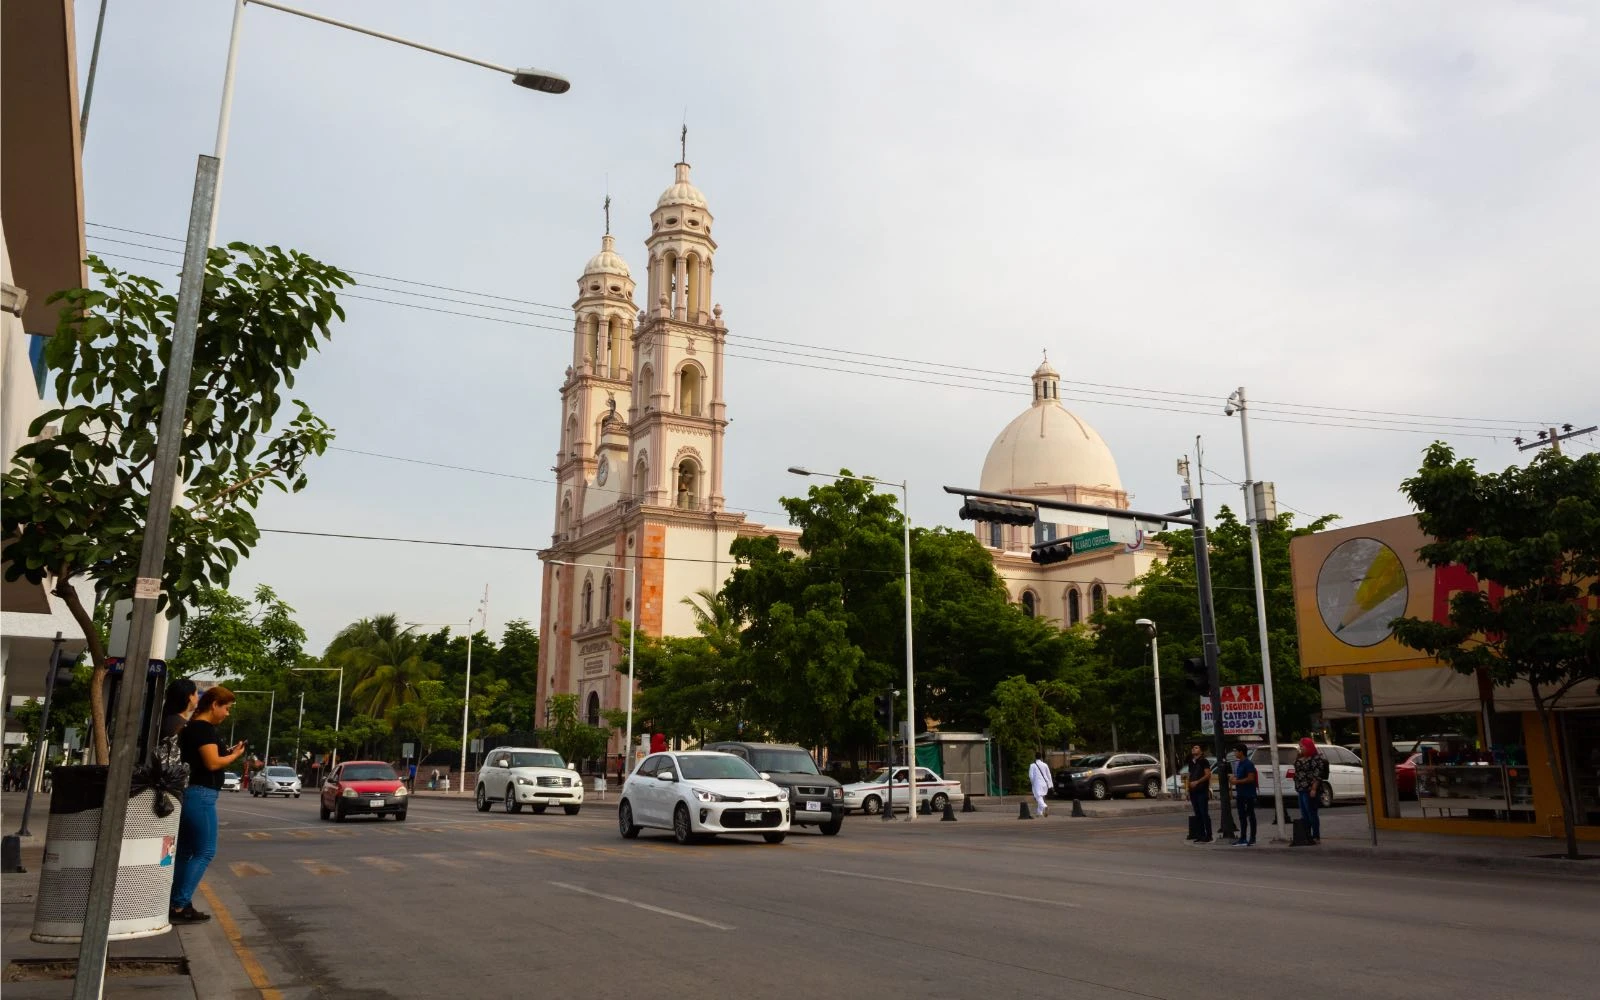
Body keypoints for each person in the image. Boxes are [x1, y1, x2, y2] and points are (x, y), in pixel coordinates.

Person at [170, 686, 246, 924]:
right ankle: (180, 904)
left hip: (190, 793)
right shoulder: (203, 729)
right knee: (205, 851)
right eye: (226, 708)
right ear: (214, 705)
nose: (227, 713)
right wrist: (235, 756)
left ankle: (176, 902)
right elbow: (212, 763)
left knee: (185, 851)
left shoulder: (193, 728)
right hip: (201, 794)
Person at [1293, 737, 1328, 844]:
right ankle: (1306, 834)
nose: (1301, 749)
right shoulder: (1301, 758)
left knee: (1311, 812)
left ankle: (1316, 835)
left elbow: (1317, 775)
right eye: (1300, 747)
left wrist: (1314, 788)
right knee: (1304, 813)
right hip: (1301, 788)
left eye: (1302, 746)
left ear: (1308, 747)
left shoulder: (1316, 759)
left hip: (1310, 789)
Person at [1231, 743, 1258, 846]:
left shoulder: (1248, 764)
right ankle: (1243, 837)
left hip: (1248, 794)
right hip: (1240, 794)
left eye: (1236, 751)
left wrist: (1237, 782)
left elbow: (1251, 778)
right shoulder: (1239, 764)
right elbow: (1238, 776)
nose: (1234, 753)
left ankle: (1252, 837)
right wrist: (1233, 779)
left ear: (1241, 752)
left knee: (1250, 815)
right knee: (1242, 816)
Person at [1186, 744, 1213, 843]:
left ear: (1201, 751)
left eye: (1196, 747)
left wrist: (1197, 782)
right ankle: (1200, 834)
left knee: (1203, 813)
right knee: (1197, 813)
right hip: (1193, 791)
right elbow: (1189, 775)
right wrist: (1188, 789)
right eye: (1193, 747)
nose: (1193, 749)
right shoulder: (1191, 762)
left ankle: (1208, 834)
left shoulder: (1204, 761)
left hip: (1201, 790)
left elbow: (1208, 775)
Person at [1028, 752, 1052, 818]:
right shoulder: (1045, 765)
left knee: (1038, 796)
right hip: (1044, 783)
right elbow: (1049, 774)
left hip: (1037, 783)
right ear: (1041, 757)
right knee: (1041, 796)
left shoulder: (1032, 765)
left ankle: (1045, 806)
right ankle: (1039, 812)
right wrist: (1050, 784)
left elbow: (1031, 776)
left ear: (1035, 757)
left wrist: (1032, 783)